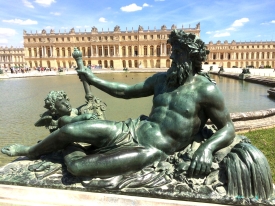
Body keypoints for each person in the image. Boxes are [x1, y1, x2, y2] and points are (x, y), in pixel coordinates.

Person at [1, 30, 235, 178]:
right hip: (131, 129)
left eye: (176, 53)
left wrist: (206, 148)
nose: (171, 57)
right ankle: (32, 151)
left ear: (190, 57)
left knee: (78, 168)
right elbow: (124, 91)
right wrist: (92, 78)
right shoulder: (162, 80)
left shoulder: (206, 90)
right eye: (172, 52)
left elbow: (228, 128)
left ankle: (70, 151)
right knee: (69, 129)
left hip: (151, 150)